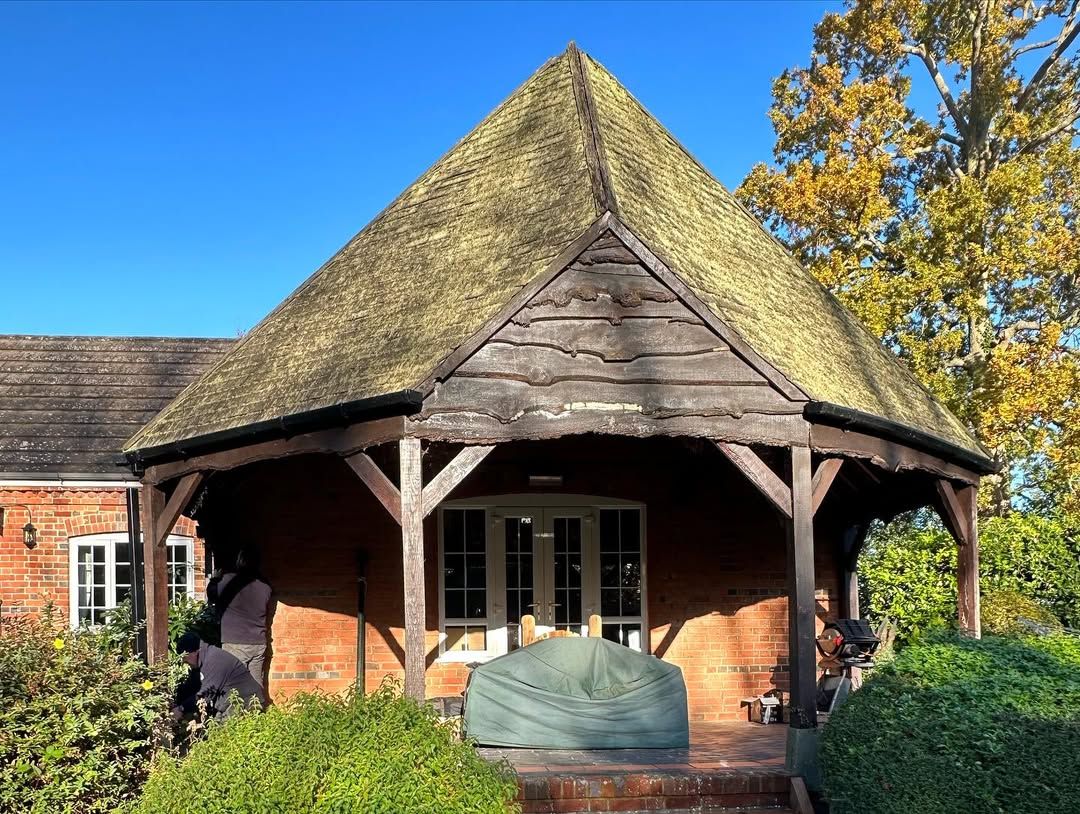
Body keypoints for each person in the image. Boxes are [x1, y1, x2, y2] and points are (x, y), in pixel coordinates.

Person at [207, 546, 271, 687]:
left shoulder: (227, 581)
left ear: (239, 561)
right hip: (258, 641)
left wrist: (214, 579)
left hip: (235, 641)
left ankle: (236, 710)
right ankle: (256, 708)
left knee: (233, 683)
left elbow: (212, 595)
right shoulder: (265, 587)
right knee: (256, 684)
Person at [172, 632, 266, 720]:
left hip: (247, 704)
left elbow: (206, 694)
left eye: (185, 657)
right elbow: (192, 686)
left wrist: (181, 708)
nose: (183, 661)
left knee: (221, 734)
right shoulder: (202, 660)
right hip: (231, 705)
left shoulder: (214, 660)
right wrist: (176, 703)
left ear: (195, 652)